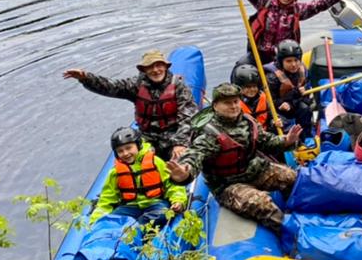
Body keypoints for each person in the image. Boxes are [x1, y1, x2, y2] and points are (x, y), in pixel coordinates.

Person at [167, 82, 302, 232]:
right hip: (227, 184)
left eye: (236, 101)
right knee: (260, 203)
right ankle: (291, 234)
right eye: (227, 103)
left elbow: (266, 141)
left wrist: (287, 141)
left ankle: (299, 212)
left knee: (291, 177)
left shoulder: (248, 121)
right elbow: (195, 155)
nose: (233, 106)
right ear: (215, 105)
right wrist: (184, 173)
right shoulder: (208, 134)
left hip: (254, 170)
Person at [63, 49, 197, 161]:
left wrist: (180, 143)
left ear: (165, 67)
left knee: (180, 161)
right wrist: (86, 78)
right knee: (136, 162)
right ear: (144, 70)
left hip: (173, 135)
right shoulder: (136, 85)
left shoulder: (179, 87)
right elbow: (111, 87)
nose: (155, 70)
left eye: (159, 65)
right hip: (147, 137)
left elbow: (188, 117)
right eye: (150, 66)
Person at [90, 128, 187, 227]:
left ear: (138, 145)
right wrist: (96, 219)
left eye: (129, 148)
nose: (125, 153)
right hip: (130, 207)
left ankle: (136, 228)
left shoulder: (156, 162)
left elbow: (173, 185)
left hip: (155, 204)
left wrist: (178, 200)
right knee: (113, 219)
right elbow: (107, 198)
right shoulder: (115, 172)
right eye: (120, 151)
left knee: (163, 214)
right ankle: (131, 229)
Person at [266, 40, 314, 130]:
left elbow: (308, 85)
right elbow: (269, 100)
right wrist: (280, 104)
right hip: (281, 109)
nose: (293, 64)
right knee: (281, 122)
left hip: (297, 103)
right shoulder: (272, 77)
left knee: (305, 109)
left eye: (296, 60)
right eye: (289, 61)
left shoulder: (302, 70)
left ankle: (306, 133)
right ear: (281, 61)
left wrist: (305, 90)